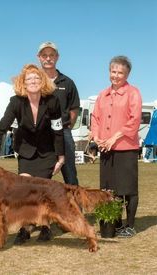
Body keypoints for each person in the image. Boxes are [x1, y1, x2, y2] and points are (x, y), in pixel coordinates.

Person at [0, 64, 64, 245]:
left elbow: (58, 129)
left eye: (36, 78)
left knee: (42, 192)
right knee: (24, 192)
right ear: (23, 83)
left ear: (42, 81)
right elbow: (2, 126)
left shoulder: (53, 101)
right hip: (26, 152)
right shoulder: (16, 102)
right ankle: (25, 229)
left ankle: (45, 227)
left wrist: (61, 156)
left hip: (47, 152)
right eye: (29, 79)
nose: (33, 81)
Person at [91, 56, 142, 238]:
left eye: (121, 72)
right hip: (106, 148)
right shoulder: (102, 95)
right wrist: (97, 137)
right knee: (109, 189)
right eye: (114, 71)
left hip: (126, 148)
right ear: (109, 72)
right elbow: (95, 118)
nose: (116, 75)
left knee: (127, 188)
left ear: (127, 74)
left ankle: (130, 225)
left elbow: (134, 120)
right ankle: (115, 223)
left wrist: (115, 137)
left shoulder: (133, 93)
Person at [37, 41, 80, 185]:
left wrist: (66, 128)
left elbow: (74, 108)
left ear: (57, 57)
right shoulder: (33, 81)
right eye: (45, 55)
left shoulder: (67, 82)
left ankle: (76, 208)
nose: (48, 58)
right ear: (39, 57)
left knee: (70, 177)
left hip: (63, 134)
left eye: (51, 55)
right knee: (40, 179)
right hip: (40, 134)